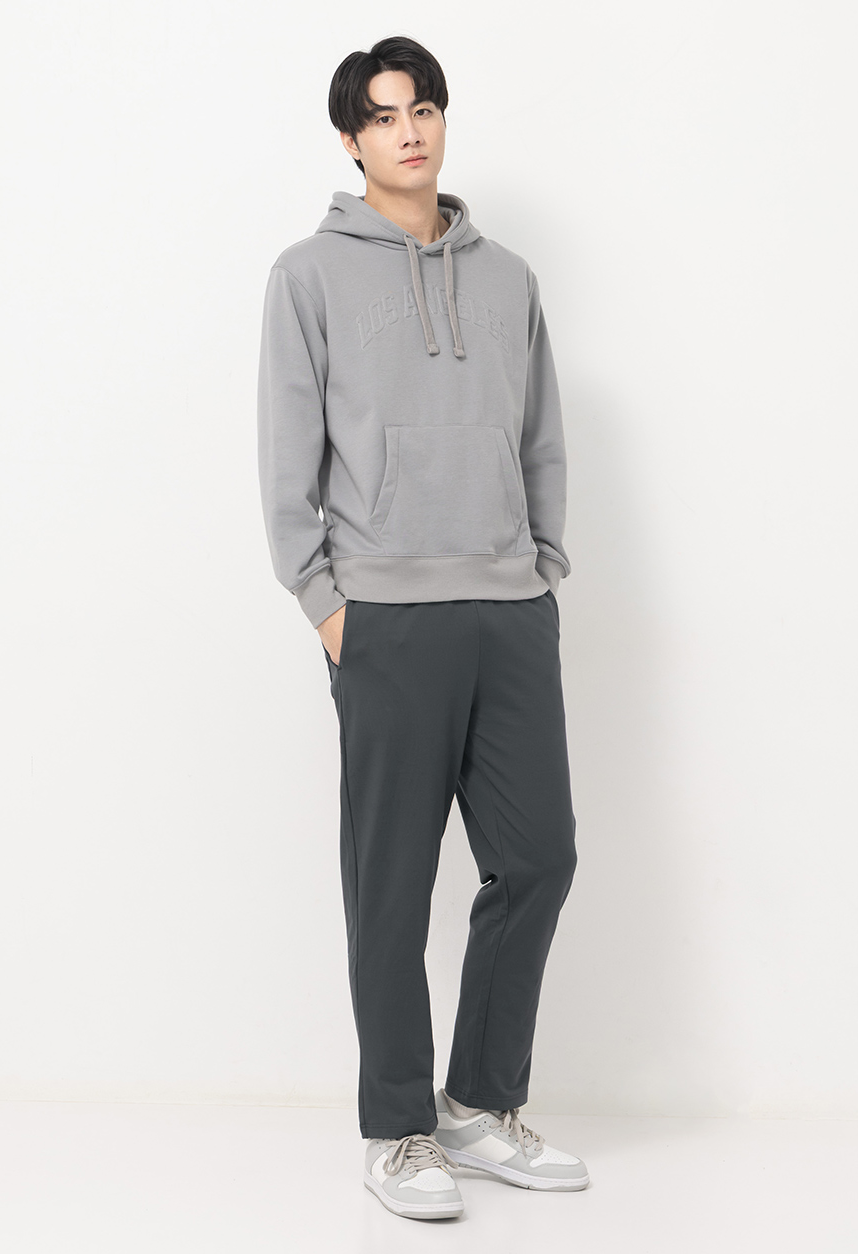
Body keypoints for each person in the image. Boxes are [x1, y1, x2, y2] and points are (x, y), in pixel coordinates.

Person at [256, 35, 588, 1221]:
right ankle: (396, 1129)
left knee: (538, 858)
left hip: (509, 607)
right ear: (351, 139)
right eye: (385, 115)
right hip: (384, 617)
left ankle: (478, 1107)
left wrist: (541, 569)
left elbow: (541, 436)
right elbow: (285, 460)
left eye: (425, 109)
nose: (409, 131)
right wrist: (326, 606)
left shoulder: (509, 281)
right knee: (390, 886)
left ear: (443, 122)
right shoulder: (307, 275)